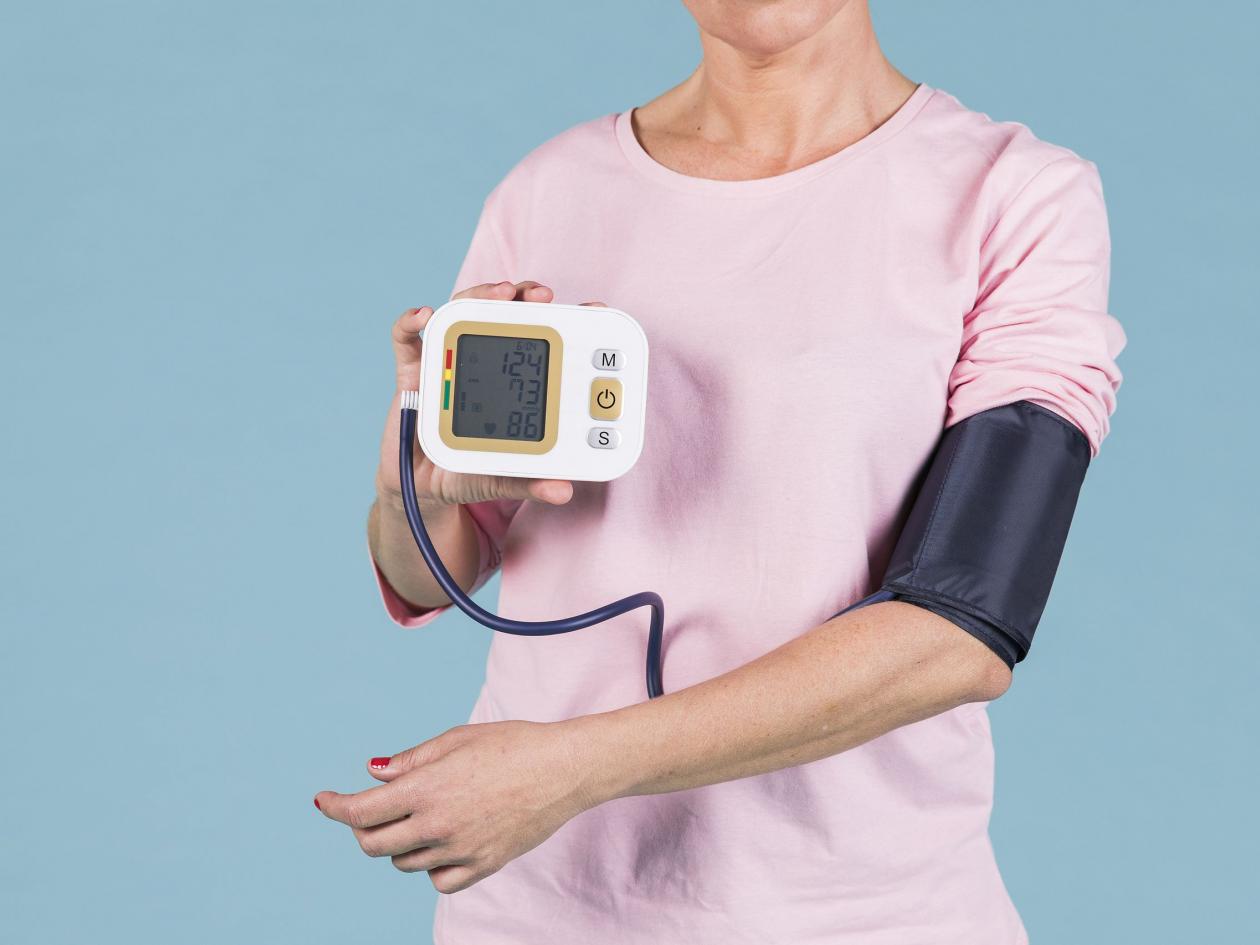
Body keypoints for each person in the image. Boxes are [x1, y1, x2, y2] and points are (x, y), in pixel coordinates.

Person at [315, 1, 1125, 941]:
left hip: (858, 912)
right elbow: (434, 573)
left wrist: (570, 767)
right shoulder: (550, 189)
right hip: (536, 904)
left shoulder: (1014, 197)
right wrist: (409, 492)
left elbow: (963, 626)